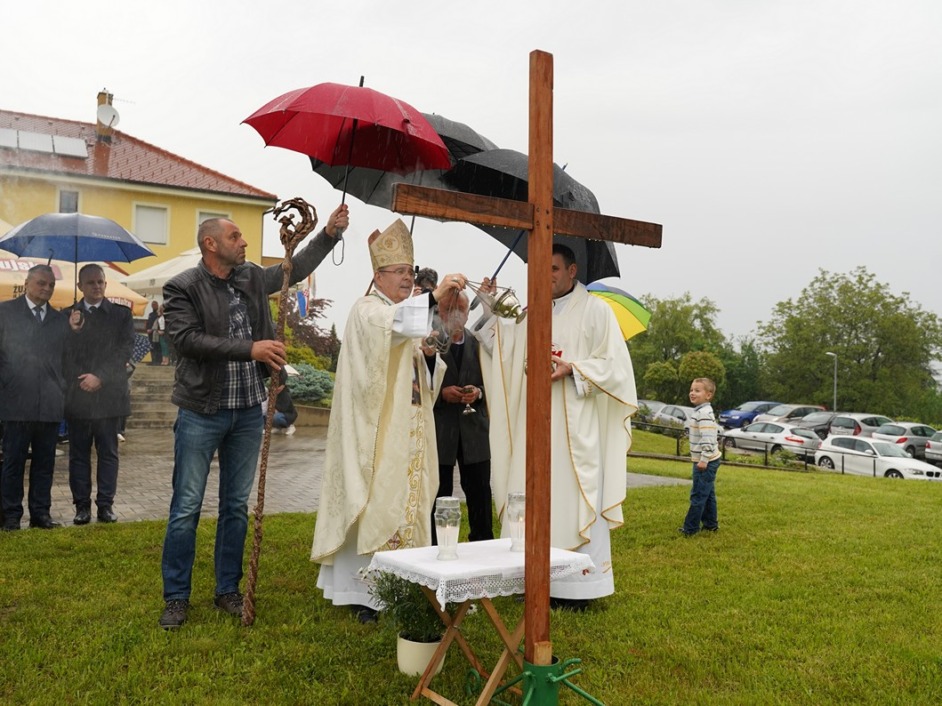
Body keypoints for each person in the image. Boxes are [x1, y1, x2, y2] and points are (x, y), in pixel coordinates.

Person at [158, 203, 349, 630]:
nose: (244, 242)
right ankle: (176, 598)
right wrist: (252, 349)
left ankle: (227, 589)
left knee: (235, 508)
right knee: (186, 507)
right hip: (200, 412)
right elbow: (187, 340)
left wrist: (329, 235)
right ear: (211, 244)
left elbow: (292, 269)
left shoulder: (248, 277)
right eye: (235, 237)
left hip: (247, 412)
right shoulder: (181, 287)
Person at [310, 218, 468, 623]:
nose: (406, 278)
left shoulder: (403, 313)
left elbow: (421, 369)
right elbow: (394, 330)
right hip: (376, 434)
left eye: (409, 272)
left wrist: (434, 349)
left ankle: (402, 585)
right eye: (399, 272)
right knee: (377, 502)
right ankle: (364, 594)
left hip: (410, 429)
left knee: (407, 502)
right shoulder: (369, 310)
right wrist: (435, 294)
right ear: (377, 275)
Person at [475, 244, 637, 610]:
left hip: (576, 429)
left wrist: (573, 369)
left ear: (572, 271)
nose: (544, 274)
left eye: (552, 268)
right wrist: (490, 304)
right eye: (538, 268)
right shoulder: (532, 310)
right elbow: (502, 346)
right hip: (534, 422)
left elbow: (616, 368)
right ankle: (527, 576)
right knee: (529, 495)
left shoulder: (596, 311)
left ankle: (578, 588)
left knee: (574, 498)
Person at [0, 265, 76, 530]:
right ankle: (10, 515)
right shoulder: (5, 312)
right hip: (15, 404)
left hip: (50, 405)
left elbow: (67, 360)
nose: (46, 288)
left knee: (45, 464)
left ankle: (40, 514)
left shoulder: (59, 321)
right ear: (27, 282)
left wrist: (62, 387)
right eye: (41, 283)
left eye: (51, 285)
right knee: (13, 462)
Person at [63, 264, 135, 525]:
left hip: (109, 397)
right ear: (80, 286)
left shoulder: (121, 315)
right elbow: (63, 356)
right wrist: (72, 332)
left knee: (108, 453)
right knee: (79, 455)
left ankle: (105, 505)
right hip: (78, 397)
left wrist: (100, 377)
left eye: (100, 282)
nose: (97, 286)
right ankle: (81, 507)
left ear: (106, 284)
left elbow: (124, 350)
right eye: (91, 282)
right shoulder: (69, 316)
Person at [426, 290, 493, 542]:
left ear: (467, 314)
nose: (455, 315)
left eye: (461, 310)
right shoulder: (429, 343)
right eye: (448, 309)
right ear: (439, 312)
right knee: (438, 494)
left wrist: (478, 393)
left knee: (480, 495)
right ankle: (434, 547)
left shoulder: (479, 343)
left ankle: (482, 545)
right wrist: (441, 394)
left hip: (474, 433)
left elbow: (496, 384)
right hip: (441, 432)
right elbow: (417, 386)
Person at [679, 377, 722, 536]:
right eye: (691, 390)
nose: (692, 393)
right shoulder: (700, 412)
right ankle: (711, 524)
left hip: (706, 462)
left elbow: (709, 438)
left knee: (698, 495)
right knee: (707, 493)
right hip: (707, 460)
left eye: (697, 390)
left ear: (708, 395)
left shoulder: (703, 413)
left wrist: (704, 459)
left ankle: (690, 528)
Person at [145, 300, 162, 366]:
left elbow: (158, 324)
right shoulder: (150, 314)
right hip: (149, 334)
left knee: (157, 347)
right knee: (151, 347)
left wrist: (152, 330)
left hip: (156, 333)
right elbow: (148, 323)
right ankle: (153, 360)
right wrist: (146, 329)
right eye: (153, 305)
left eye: (155, 304)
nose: (154, 306)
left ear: (157, 305)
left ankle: (158, 361)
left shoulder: (158, 315)